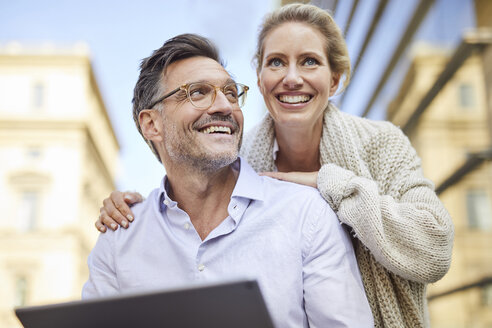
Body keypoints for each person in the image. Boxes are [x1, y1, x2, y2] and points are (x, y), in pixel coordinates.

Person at [96, 4, 454, 327]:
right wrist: (139, 216)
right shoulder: (235, 157)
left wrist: (331, 183)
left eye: (310, 61)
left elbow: (434, 250)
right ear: (262, 80)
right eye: (276, 62)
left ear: (335, 80)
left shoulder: (379, 144)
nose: (291, 77)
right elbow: (191, 177)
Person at [82, 33, 373, 328]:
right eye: (197, 92)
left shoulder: (306, 215)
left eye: (231, 93)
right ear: (151, 124)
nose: (224, 106)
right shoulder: (119, 239)